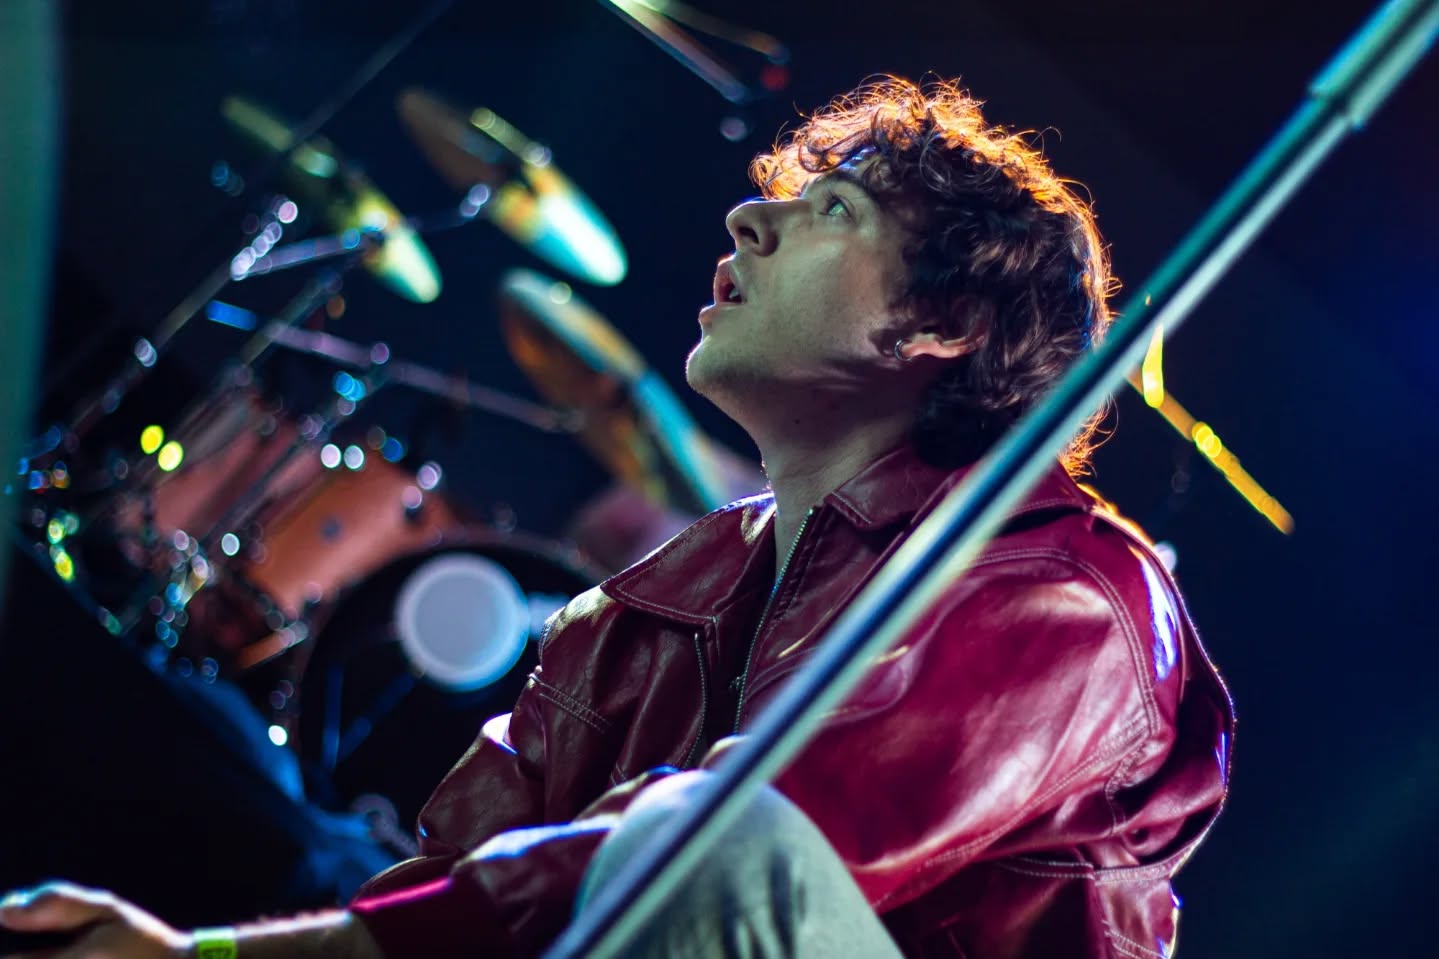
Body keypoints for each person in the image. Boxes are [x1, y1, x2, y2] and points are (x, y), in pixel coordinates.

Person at [0, 76, 1233, 958]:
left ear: (943, 326)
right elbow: (446, 890)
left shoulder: (1067, 595)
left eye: (834, 212)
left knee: (721, 842)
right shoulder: (639, 606)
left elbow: (737, 855)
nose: (749, 218)